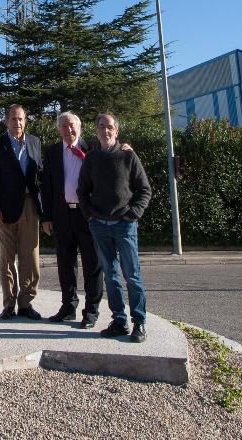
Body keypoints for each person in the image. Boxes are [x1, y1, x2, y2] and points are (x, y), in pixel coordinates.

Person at [77, 113, 152, 343]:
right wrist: (90, 216)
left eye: (109, 127)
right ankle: (119, 320)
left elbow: (144, 189)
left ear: (116, 131)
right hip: (99, 225)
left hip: (124, 225)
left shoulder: (129, 157)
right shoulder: (91, 159)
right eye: (101, 127)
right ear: (96, 131)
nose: (105, 131)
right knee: (111, 275)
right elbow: (82, 191)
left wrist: (132, 214)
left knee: (132, 275)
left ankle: (139, 322)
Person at [40, 111, 104, 328]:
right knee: (65, 264)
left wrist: (126, 148)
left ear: (80, 127)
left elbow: (114, 157)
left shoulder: (93, 149)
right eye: (64, 126)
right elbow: (47, 187)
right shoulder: (52, 152)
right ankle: (68, 307)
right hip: (62, 215)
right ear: (59, 129)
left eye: (72, 125)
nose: (68, 130)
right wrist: (46, 217)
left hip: (88, 216)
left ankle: (91, 311)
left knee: (92, 264)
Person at [0, 103, 44, 320]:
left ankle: (26, 303)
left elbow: (41, 175)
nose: (17, 123)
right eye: (13, 119)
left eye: (21, 119)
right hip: (3, 210)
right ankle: (8, 303)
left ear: (25, 120)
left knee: (30, 258)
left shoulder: (35, 143)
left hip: (30, 207)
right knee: (7, 259)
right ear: (6, 121)